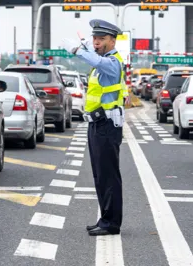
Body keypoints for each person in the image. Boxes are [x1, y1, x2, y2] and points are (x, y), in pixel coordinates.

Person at [61, 19, 127, 236]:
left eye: (101, 39)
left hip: (107, 124)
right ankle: (105, 219)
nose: (96, 43)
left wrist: (78, 50)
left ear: (112, 40)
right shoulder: (103, 60)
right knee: (100, 175)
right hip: (98, 124)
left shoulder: (112, 63)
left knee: (108, 176)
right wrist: (86, 48)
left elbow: (96, 61)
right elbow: (95, 59)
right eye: (94, 39)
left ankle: (111, 223)